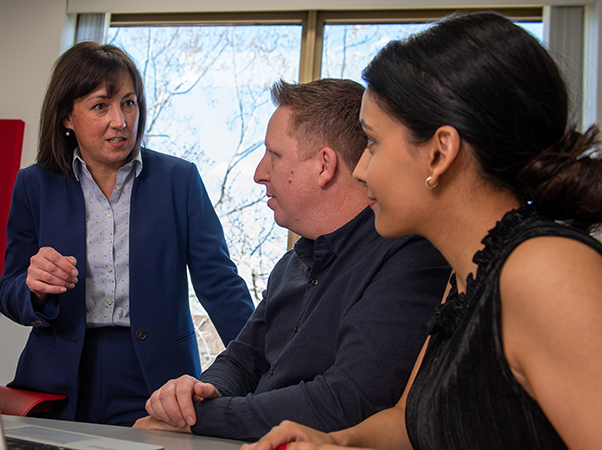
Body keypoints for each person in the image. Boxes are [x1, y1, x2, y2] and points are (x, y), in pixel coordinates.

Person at [244, 11, 602, 450]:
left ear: (439, 152)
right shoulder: (466, 276)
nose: (359, 168)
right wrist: (333, 442)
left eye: (372, 143)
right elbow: (411, 423)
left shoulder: (545, 270)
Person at [133, 79, 451, 440]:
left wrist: (198, 420)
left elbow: (347, 401)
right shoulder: (292, 264)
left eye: (274, 155)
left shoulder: (407, 257)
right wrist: (197, 396)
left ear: (324, 166)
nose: (258, 173)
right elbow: (242, 359)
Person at [0, 41, 255, 426]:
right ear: (67, 116)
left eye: (129, 103)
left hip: (157, 381)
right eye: (101, 106)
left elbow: (220, 284)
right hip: (58, 378)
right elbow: (8, 293)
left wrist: (263, 361)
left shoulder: (179, 180)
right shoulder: (35, 185)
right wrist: (33, 287)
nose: (120, 120)